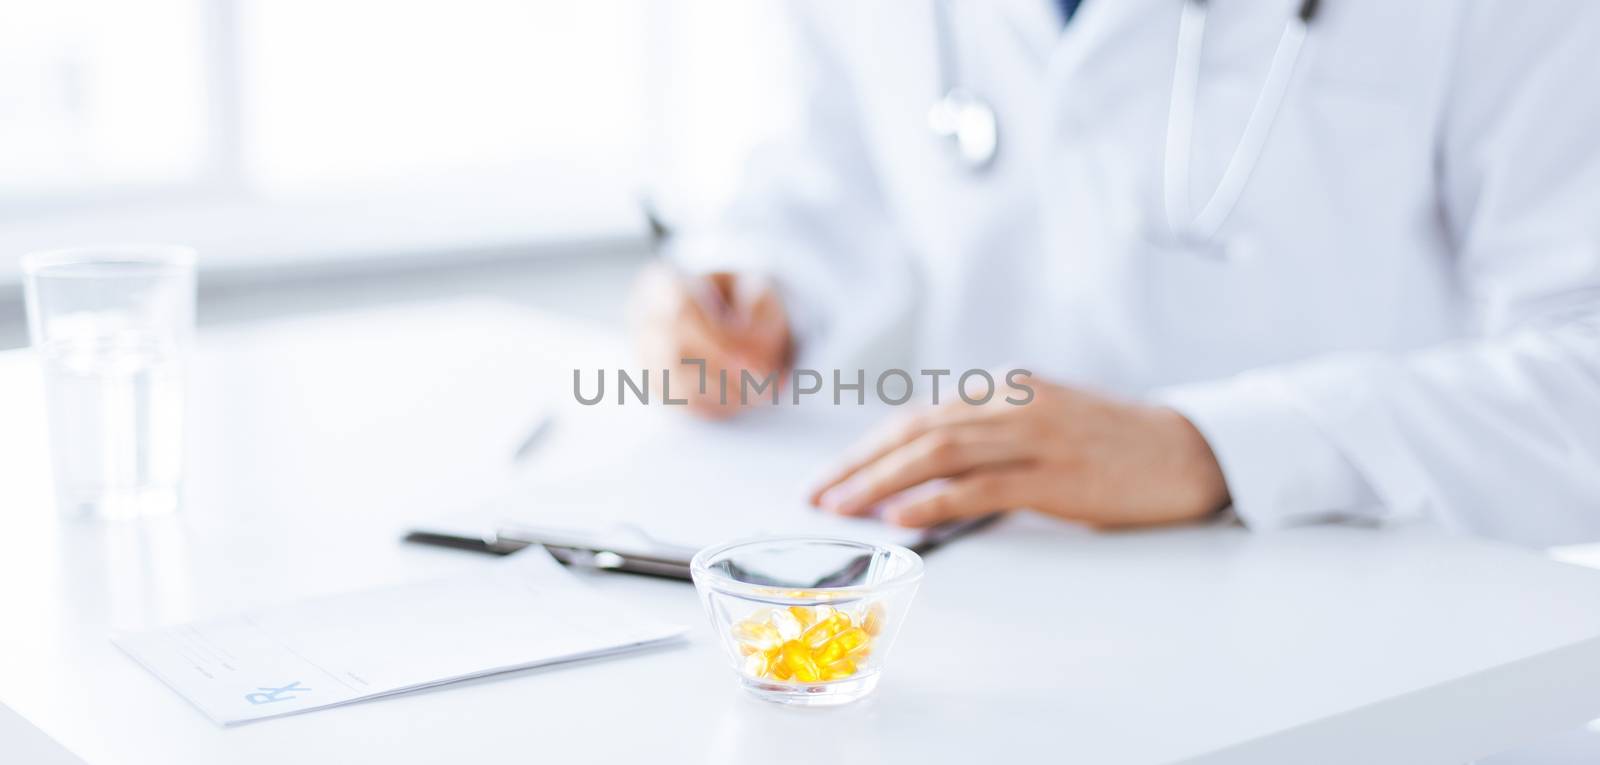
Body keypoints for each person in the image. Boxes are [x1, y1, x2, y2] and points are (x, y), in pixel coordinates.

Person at [631, 0, 1600, 547]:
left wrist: (1210, 448)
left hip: (1370, 618)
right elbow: (815, 190)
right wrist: (744, 294)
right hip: (983, 593)